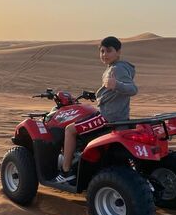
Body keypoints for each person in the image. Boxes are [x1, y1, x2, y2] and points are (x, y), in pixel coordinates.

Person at [55, 36, 138, 183]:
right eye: (102, 51)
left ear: (118, 52)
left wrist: (116, 84)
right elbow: (113, 92)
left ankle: (66, 171)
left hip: (107, 117)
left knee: (69, 130)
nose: (104, 54)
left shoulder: (117, 68)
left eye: (109, 51)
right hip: (118, 116)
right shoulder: (117, 67)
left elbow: (132, 89)